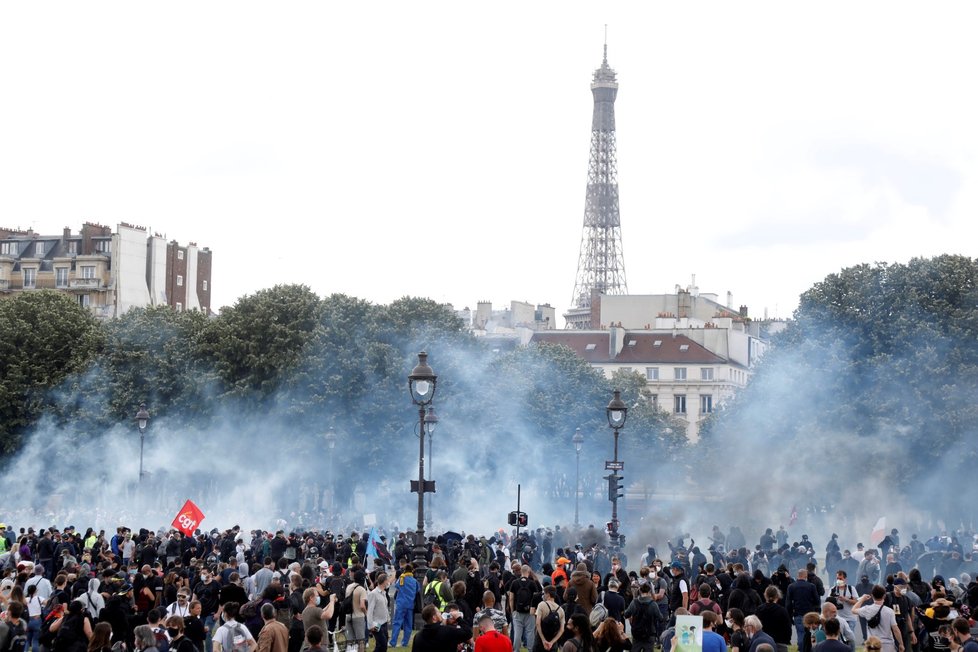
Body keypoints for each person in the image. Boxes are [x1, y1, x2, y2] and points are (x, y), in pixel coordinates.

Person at [852, 586, 903, 652]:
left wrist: (862, 599)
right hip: (887, 644)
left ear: (872, 595)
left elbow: (853, 610)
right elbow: (895, 629)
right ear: (884, 596)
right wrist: (901, 644)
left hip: (872, 645)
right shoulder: (890, 611)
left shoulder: (867, 609)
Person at [511, 564, 543, 652]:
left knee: (517, 633)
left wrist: (512, 610)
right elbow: (536, 597)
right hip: (530, 611)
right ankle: (530, 649)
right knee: (530, 632)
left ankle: (516, 650)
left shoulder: (515, 582)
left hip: (517, 611)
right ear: (528, 572)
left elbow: (511, 598)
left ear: (521, 571)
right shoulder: (532, 583)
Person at [624, 583, 664, 652]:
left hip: (637, 633)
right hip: (650, 633)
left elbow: (626, 614)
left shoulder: (634, 602)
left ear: (640, 591)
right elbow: (660, 618)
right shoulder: (653, 604)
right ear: (649, 592)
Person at [785, 570, 821, 646]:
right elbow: (817, 601)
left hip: (798, 613)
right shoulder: (811, 586)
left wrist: (790, 616)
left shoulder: (791, 586)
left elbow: (788, 603)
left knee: (800, 633)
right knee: (812, 634)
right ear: (806, 576)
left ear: (798, 576)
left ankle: (801, 648)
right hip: (810, 614)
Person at [389, 563, 419, 648]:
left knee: (397, 623)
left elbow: (397, 587)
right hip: (410, 605)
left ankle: (393, 642)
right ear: (412, 571)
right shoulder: (415, 581)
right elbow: (417, 590)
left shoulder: (401, 578)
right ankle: (405, 643)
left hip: (401, 604)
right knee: (408, 624)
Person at [534, 586, 564, 652]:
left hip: (540, 640)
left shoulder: (542, 605)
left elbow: (538, 624)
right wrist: (552, 642)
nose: (543, 596)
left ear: (548, 594)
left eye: (544, 594)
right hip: (553, 640)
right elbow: (561, 630)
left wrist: (543, 640)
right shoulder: (561, 610)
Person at [366, 573, 390, 652]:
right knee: (382, 645)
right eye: (388, 581)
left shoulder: (384, 593)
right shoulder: (373, 594)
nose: (388, 583)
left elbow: (384, 607)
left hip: (384, 623)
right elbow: (369, 611)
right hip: (376, 624)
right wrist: (370, 625)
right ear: (384, 581)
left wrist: (387, 618)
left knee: (382, 645)